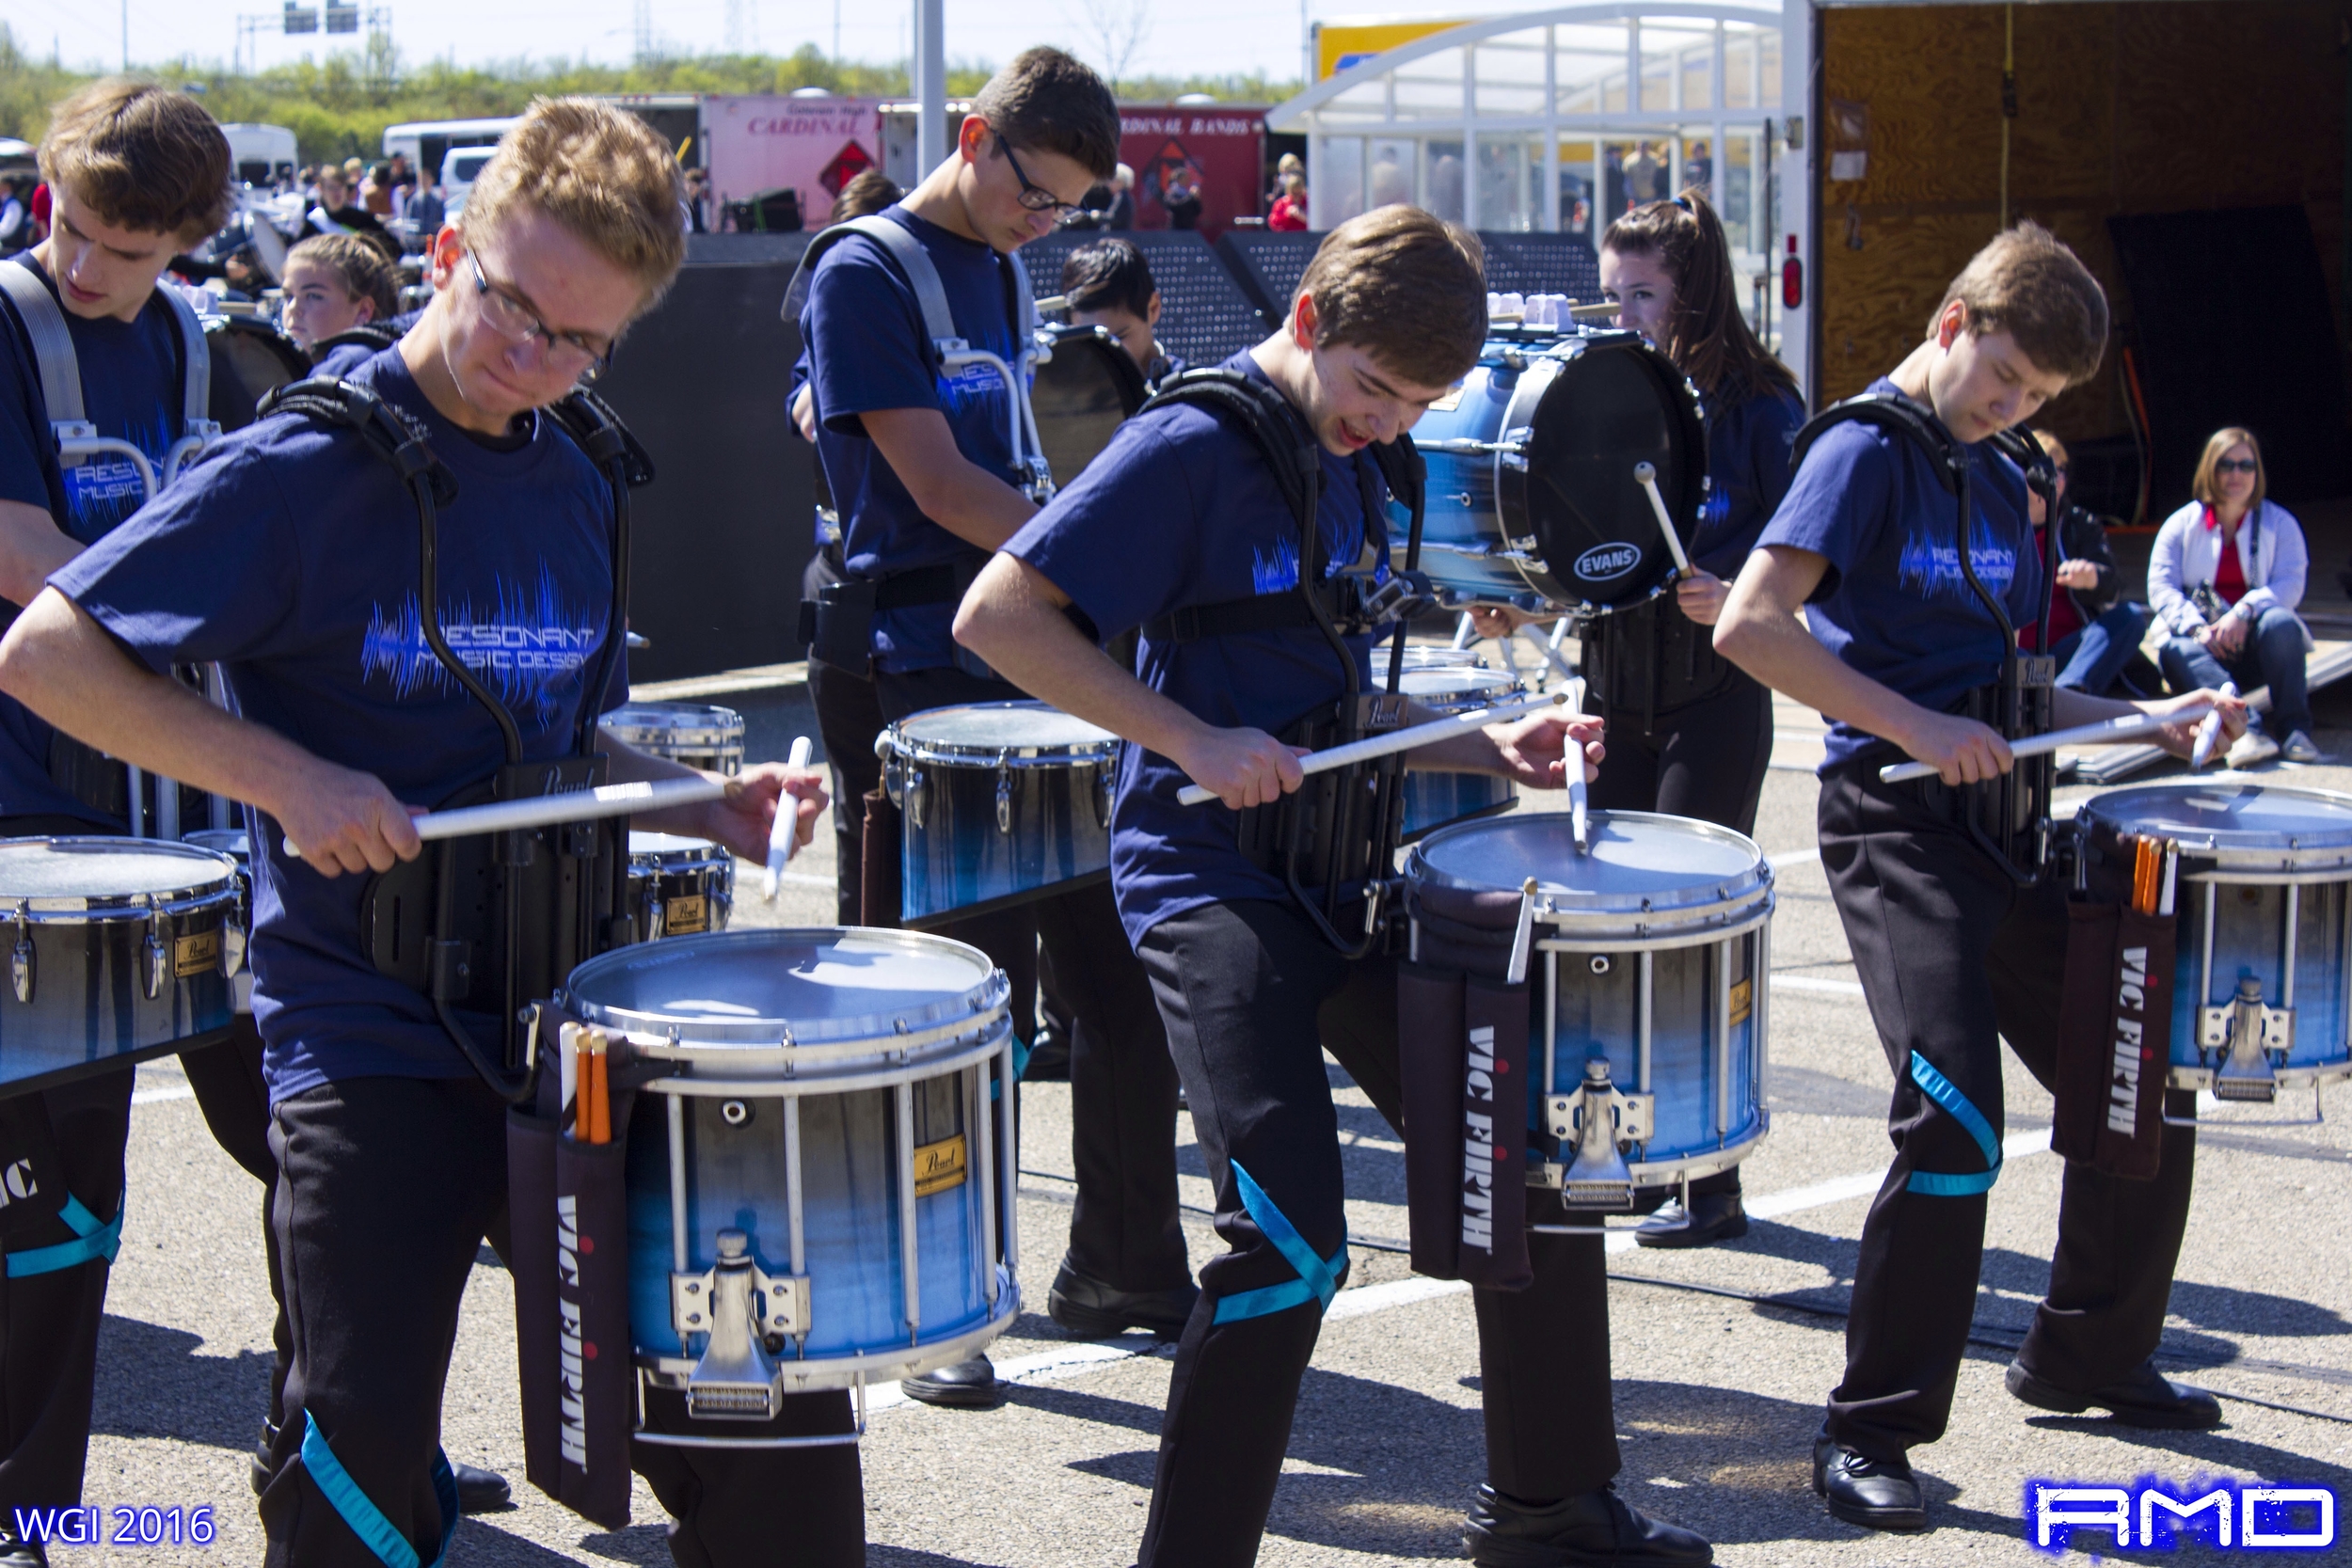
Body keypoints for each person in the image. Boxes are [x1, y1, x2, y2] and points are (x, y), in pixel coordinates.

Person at [0, 97, 848, 1567]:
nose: (534, 358)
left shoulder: (580, 465)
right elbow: (48, 654)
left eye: (579, 340)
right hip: (366, 1025)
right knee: (354, 1466)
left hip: (564, 1023)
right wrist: (285, 779)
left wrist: (696, 794)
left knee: (757, 1411)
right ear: (450, 247)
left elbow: (563, 728)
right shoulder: (303, 466)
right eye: (514, 309)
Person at [955, 203, 1711, 1568]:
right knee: (1291, 1236)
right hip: (1205, 875)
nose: (1388, 420)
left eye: (1418, 402)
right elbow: (997, 614)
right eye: (1374, 390)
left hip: (1347, 869)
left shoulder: (1363, 459)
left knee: (1528, 1148)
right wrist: (1186, 735)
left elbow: (1329, 692)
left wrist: (1484, 742)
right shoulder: (1189, 445)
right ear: (1309, 322)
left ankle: (1554, 1510)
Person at [1713, 221, 2246, 1534]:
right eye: (2003, 377)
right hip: (1896, 828)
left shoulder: (1995, 463)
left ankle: (2086, 1353)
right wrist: (1913, 727)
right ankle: (1870, 1429)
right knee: (1952, 1117)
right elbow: (1751, 624)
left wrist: (2137, 715)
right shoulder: (1862, 450)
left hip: (2005, 819)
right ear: (1953, 323)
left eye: (2039, 401)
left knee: (2141, 1069)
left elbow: (1997, 692)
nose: (2013, 409)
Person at [798, 47, 1195, 1406]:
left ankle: (1130, 1260)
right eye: (1038, 191)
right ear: (974, 139)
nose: (1051, 222)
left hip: (1027, 651)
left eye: (1075, 204)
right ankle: (935, 1302)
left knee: (1119, 973)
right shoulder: (863, 266)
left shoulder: (1007, 264)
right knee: (954, 998)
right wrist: (1093, 561)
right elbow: (935, 479)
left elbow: (985, 453)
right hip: (916, 666)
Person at [1475, 189, 1803, 1250]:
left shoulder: (1761, 406)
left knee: (1693, 939)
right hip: (1615, 691)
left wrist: (1741, 587)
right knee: (1599, 936)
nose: (1621, 313)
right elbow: (1582, 552)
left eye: (1643, 293)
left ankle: (1712, 1182)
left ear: (1695, 288)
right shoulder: (1600, 394)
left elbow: (1805, 551)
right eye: (1610, 292)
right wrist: (1520, 592)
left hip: (1713, 700)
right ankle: (1620, 1154)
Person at [792, 168, 902, 927]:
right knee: (857, 800)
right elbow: (804, 404)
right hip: (842, 585)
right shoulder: (825, 322)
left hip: (923, 590)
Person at [2147, 426, 2317, 767]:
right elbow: (2160, 586)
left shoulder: (2281, 523)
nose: (2237, 473)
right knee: (2174, 648)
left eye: (2246, 465)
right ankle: (2248, 729)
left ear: (2258, 472)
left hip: (2254, 646)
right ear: (2210, 470)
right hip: (2204, 649)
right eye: (2226, 465)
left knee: (2283, 623)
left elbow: (2291, 585)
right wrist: (2197, 629)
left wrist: (2244, 612)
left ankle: (2294, 729)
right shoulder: (2181, 524)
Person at [2016, 428, 2150, 699]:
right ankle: (2059, 697)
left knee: (2130, 617)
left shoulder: (2079, 523)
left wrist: (2093, 578)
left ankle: (2066, 693)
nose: (2055, 478)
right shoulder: (1992, 522)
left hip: (2069, 654)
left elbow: (2114, 586)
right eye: (2043, 469)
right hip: (2014, 660)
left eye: (2061, 469)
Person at [1060, 235, 1181, 385]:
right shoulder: (1064, 397)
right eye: (1088, 343)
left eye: (1118, 338)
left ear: (1153, 308)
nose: (1104, 355)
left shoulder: (1191, 397)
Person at [278, 232, 400, 356]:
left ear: (363, 311)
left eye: (313, 296)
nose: (293, 308)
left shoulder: (360, 369)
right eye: (288, 296)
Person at [308, 166, 394, 256]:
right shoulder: (313, 221)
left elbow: (392, 248)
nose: (337, 192)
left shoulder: (363, 219)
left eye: (340, 186)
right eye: (331, 188)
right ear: (321, 190)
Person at [1162, 161, 1202, 230]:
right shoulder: (1171, 193)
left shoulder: (1187, 192)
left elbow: (1198, 211)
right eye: (1185, 178)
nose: (1188, 180)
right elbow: (1175, 207)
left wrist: (1196, 199)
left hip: (1188, 228)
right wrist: (1191, 197)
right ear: (1178, 179)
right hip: (1176, 228)